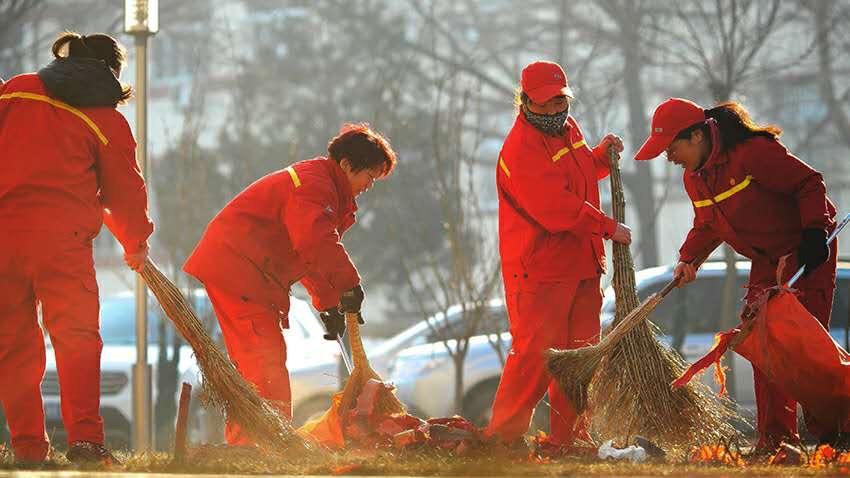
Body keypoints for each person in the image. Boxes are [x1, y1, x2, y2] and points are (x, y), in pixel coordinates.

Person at [635, 97, 838, 452]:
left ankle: (835, 436)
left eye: (671, 147)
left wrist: (814, 232)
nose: (669, 157)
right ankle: (776, 442)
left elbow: (809, 183)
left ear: (696, 136)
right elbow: (707, 225)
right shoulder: (694, 178)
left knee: (803, 348)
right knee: (763, 345)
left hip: (806, 249)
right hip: (765, 260)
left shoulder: (752, 153)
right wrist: (688, 259)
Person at [183, 123, 396, 445]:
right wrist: (349, 285)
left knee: (261, 359)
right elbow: (314, 242)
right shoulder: (312, 187)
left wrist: (329, 304)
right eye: (370, 175)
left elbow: (306, 257)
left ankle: (261, 445)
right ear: (346, 165)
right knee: (262, 361)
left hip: (249, 273)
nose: (370, 185)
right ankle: (256, 448)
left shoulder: (325, 188)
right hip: (239, 271)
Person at [0, 32, 152, 464]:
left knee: (12, 344)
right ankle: (85, 442)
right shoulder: (105, 119)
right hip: (62, 244)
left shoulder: (16, 91)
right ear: (110, 73)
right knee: (77, 341)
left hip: (3, 238)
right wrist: (136, 242)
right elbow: (125, 192)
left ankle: (28, 449)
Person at [486, 60, 632, 450]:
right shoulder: (520, 148)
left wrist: (600, 158)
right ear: (525, 101)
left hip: (581, 264)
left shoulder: (569, 129)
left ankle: (569, 440)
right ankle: (501, 440)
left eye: (559, 100)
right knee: (535, 357)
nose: (554, 109)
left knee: (580, 357)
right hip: (541, 271)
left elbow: (576, 177)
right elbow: (555, 206)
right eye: (545, 102)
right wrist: (607, 227)